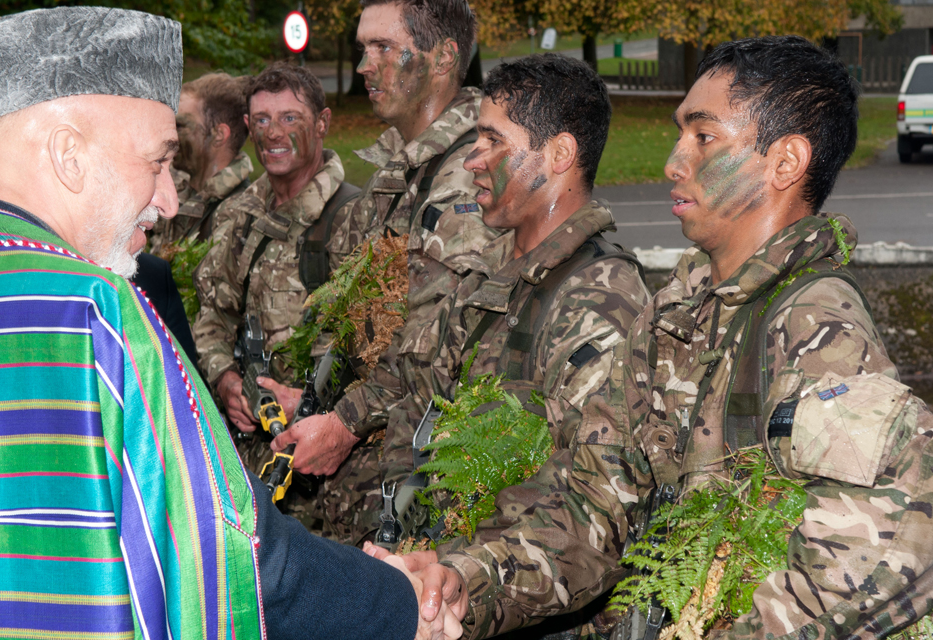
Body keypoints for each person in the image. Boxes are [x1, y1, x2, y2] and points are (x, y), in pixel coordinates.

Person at [379, 36, 933, 640]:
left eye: (703, 137)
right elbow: (595, 506)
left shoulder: (817, 332)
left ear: (785, 162)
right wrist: (469, 582)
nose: (673, 162)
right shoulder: (677, 316)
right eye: (679, 134)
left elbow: (891, 551)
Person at [0, 8, 461, 639]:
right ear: (69, 155)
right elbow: (235, 550)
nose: (170, 199)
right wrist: (399, 603)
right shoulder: (98, 316)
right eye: (156, 161)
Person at [290, 54, 650, 546]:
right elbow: (415, 378)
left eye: (493, 140)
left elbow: (589, 510)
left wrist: (457, 582)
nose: (472, 158)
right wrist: (341, 423)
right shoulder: (497, 272)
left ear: (559, 154)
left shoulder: (600, 301)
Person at [273, 0, 506, 543]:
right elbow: (364, 328)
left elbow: (432, 346)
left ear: (444, 57)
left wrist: (343, 421)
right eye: (362, 49)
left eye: (382, 47)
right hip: (373, 480)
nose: (364, 66)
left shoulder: (465, 177)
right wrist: (313, 399)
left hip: (428, 489)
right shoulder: (402, 171)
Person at [192, 62, 361, 480]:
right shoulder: (240, 215)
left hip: (331, 472)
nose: (272, 133)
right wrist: (226, 380)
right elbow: (213, 314)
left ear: (322, 124)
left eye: (290, 118)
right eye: (262, 120)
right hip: (248, 463)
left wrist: (312, 402)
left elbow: (381, 358)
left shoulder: (357, 219)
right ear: (248, 125)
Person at [149, 71, 253, 254]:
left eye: (180, 126)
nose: (170, 135)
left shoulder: (241, 213)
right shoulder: (176, 187)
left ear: (218, 135)